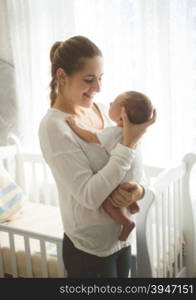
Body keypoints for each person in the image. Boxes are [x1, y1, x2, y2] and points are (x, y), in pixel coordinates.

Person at [38, 35, 156, 278]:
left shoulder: (103, 110)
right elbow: (90, 196)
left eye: (100, 78)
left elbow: (134, 166)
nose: (99, 88)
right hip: (89, 251)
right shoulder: (54, 128)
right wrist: (129, 143)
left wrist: (139, 190)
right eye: (89, 80)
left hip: (122, 241)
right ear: (62, 76)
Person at [66, 90, 154, 241]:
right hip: (135, 177)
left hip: (123, 176)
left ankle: (126, 223)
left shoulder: (115, 132)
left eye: (114, 103)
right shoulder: (136, 135)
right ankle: (133, 205)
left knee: (107, 202)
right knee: (124, 192)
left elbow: (91, 136)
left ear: (122, 116)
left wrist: (75, 126)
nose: (110, 103)